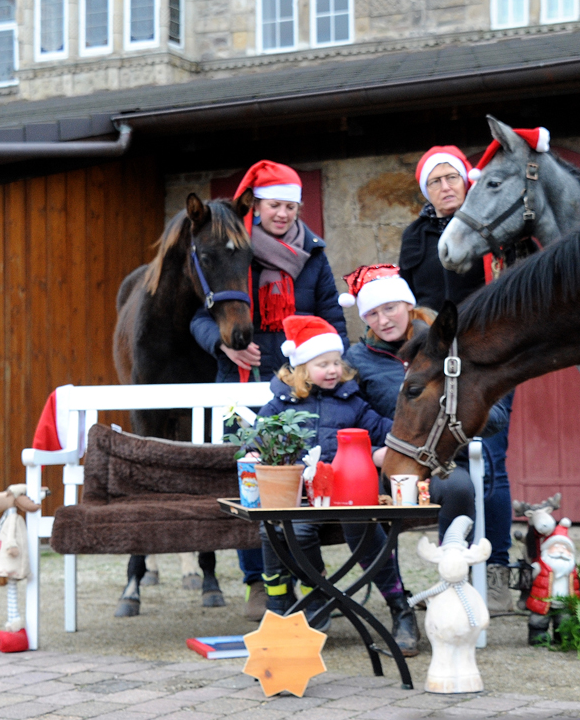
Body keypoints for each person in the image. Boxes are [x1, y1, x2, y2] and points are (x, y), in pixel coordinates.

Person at [190, 160, 348, 621]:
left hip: (298, 387)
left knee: (300, 479)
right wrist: (222, 344)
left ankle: (305, 576)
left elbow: (331, 318)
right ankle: (258, 581)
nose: (282, 214)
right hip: (242, 382)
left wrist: (334, 363)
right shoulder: (232, 247)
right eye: (274, 204)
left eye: (290, 206)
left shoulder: (313, 256)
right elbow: (199, 317)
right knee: (251, 481)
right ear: (256, 206)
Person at [255, 315, 420, 655]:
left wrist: (387, 451)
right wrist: (257, 453)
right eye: (322, 364)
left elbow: (380, 433)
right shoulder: (280, 405)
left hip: (349, 494)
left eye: (335, 363)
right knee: (291, 530)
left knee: (366, 531)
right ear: (300, 368)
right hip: (300, 495)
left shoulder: (353, 403)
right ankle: (317, 590)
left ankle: (399, 605)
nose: (332, 370)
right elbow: (258, 439)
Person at [398, 146, 516, 616]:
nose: (445, 187)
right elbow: (410, 301)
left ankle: (501, 568)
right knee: (444, 467)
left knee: (492, 458)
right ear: (426, 191)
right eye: (435, 182)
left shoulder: (496, 232)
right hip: (435, 363)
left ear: (468, 180)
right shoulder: (416, 236)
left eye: (452, 178)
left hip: (489, 358)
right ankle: (453, 568)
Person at [341, 264, 505, 546]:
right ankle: (392, 589)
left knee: (458, 487)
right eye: (372, 314)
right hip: (385, 460)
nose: (382, 320)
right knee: (353, 497)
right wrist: (374, 453)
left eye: (390, 308)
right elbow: (347, 413)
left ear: (408, 304)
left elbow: (497, 416)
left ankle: (452, 569)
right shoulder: (357, 358)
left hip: (440, 462)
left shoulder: (448, 347)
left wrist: (451, 410)